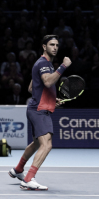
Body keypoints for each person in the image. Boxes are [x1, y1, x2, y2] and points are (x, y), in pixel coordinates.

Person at [8, 35, 72, 190]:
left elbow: (32, 88)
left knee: (37, 143)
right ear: (44, 47)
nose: (55, 47)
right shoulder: (44, 63)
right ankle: (28, 179)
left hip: (36, 108)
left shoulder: (44, 64)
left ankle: (18, 170)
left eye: (57, 45)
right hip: (39, 111)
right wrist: (63, 66)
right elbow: (48, 81)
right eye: (51, 44)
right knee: (47, 145)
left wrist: (52, 98)